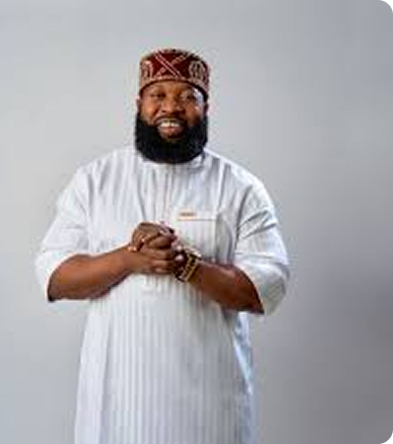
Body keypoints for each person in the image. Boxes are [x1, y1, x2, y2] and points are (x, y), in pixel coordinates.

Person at [35, 48, 290, 444]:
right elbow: (54, 277)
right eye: (158, 95)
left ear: (206, 108)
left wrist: (185, 265)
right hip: (116, 407)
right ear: (139, 104)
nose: (171, 107)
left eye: (187, 97)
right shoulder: (95, 180)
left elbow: (263, 290)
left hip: (210, 409)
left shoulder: (240, 188)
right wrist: (129, 258)